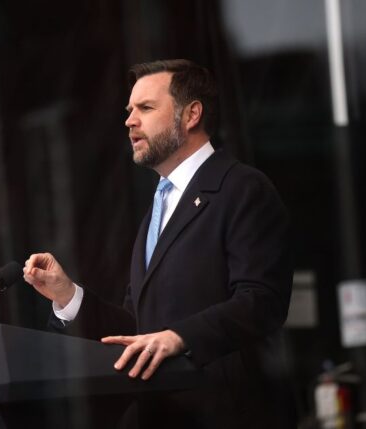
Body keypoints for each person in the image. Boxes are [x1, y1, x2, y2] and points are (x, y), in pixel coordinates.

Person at [23, 59, 294, 428]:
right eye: (129, 110)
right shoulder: (159, 208)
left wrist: (180, 337)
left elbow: (262, 301)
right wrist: (68, 296)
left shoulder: (242, 188)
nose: (130, 120)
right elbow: (138, 329)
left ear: (191, 114)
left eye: (146, 108)